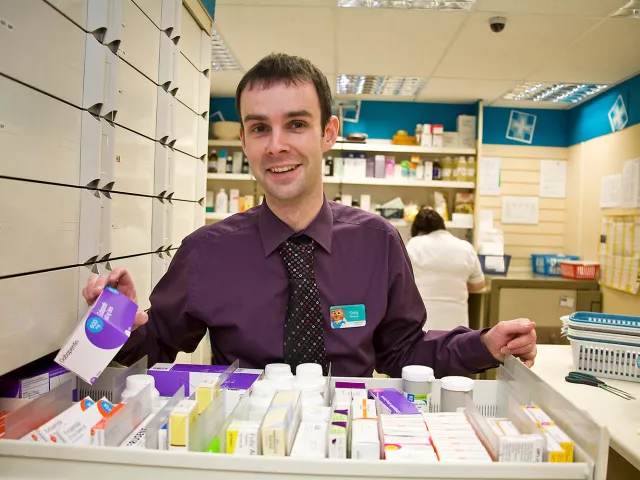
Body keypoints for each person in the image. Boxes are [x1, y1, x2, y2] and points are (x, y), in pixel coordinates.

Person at [82, 53, 537, 378]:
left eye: (296, 124)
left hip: (348, 445)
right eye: (260, 128)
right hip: (242, 449)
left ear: (328, 133)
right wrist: (120, 320)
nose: (277, 145)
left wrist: (482, 346)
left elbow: (401, 351)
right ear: (244, 141)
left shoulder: (377, 241)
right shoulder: (206, 250)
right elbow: (155, 345)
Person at [406, 207, 485, 331]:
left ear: (418, 230)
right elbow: (478, 284)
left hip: (424, 325)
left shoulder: (414, 245)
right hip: (457, 325)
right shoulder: (465, 247)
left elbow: (402, 282)